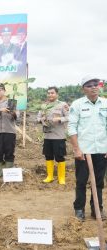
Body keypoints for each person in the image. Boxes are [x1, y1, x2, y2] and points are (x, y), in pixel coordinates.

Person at [68, 76, 107, 221]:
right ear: (83, 89)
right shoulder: (77, 105)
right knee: (81, 181)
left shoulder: (105, 103)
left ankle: (97, 210)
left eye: (95, 84)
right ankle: (79, 209)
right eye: (89, 85)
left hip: (101, 150)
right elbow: (72, 127)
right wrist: (77, 149)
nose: (94, 87)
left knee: (98, 182)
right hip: (84, 152)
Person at [37, 87, 69, 184]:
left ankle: (61, 178)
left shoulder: (62, 105)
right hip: (47, 136)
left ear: (57, 94)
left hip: (58, 136)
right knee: (48, 156)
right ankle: (50, 176)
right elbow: (38, 117)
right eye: (49, 93)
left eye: (52, 93)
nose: (50, 95)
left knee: (60, 157)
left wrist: (60, 119)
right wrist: (41, 120)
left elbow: (69, 116)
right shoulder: (44, 106)